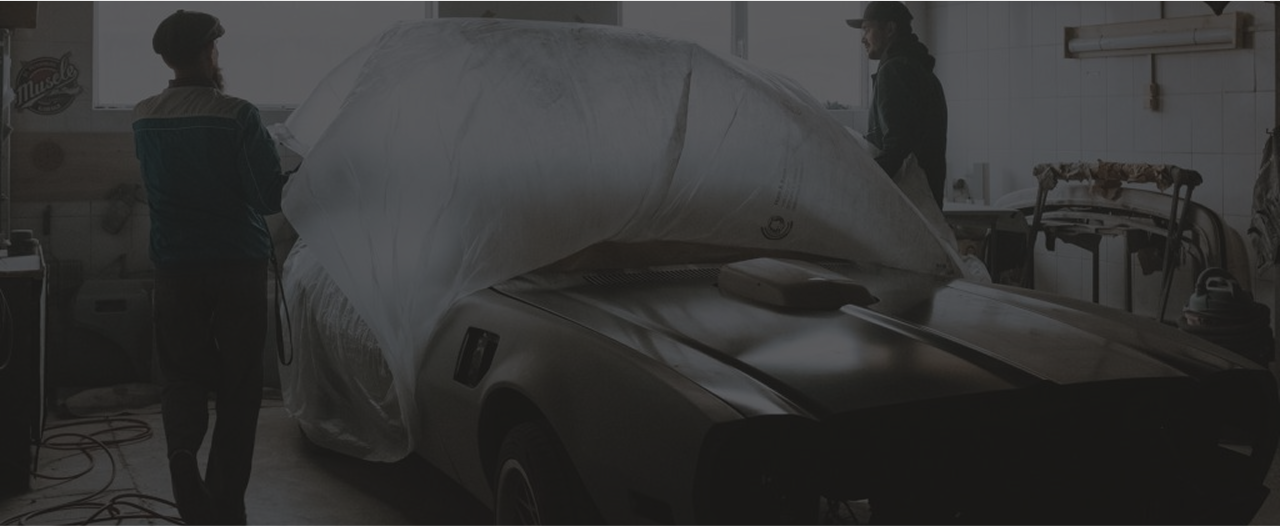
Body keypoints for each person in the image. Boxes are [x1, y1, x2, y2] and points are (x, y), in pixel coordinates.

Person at [132, 10, 288, 526]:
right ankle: (224, 503)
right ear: (209, 52)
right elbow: (266, 197)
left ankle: (182, 463)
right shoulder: (238, 114)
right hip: (237, 264)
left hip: (175, 264)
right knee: (240, 384)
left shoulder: (143, 115)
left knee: (181, 375)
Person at [848, 1, 949, 210]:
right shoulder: (922, 71)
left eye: (867, 29)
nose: (863, 38)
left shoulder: (894, 71)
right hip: (926, 201)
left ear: (890, 29)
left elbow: (897, 145)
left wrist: (859, 182)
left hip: (907, 203)